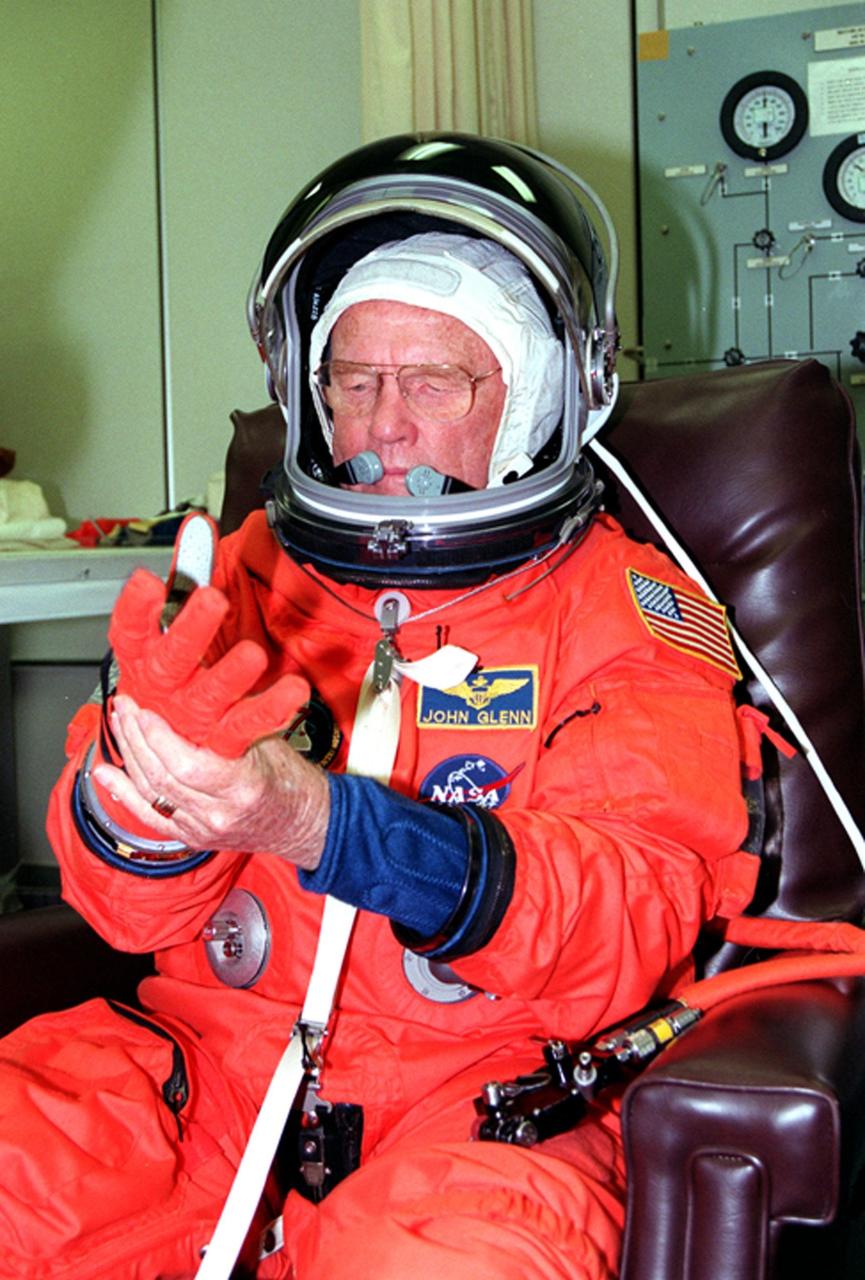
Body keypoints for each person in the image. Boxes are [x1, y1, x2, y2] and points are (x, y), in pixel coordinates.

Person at [0, 134, 760, 1279]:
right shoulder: (237, 582)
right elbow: (119, 912)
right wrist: (148, 802)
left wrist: (324, 827)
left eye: (434, 382)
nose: (385, 424)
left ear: (536, 399)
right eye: (354, 381)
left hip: (474, 1121)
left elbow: (631, 913)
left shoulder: (626, 607)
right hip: (200, 1090)